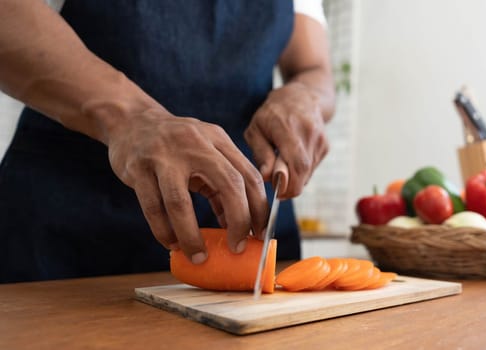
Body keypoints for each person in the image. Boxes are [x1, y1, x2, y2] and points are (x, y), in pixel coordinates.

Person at [0, 0, 335, 283]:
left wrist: (307, 96)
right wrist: (130, 117)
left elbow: (314, 68)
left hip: (250, 229)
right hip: (67, 231)